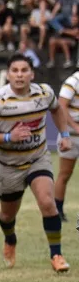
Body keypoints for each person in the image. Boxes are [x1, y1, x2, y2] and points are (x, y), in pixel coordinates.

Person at [0, 54, 72, 272]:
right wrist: (9, 137)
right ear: (8, 74)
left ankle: (56, 254)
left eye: (24, 70)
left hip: (37, 158)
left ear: (32, 74)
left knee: (48, 203)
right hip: (9, 166)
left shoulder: (44, 93)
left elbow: (57, 109)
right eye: (15, 71)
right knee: (8, 215)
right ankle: (10, 239)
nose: (20, 75)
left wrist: (64, 134)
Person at [54, 69, 79, 221]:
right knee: (65, 174)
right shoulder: (73, 81)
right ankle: (58, 211)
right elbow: (61, 105)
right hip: (70, 136)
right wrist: (75, 126)